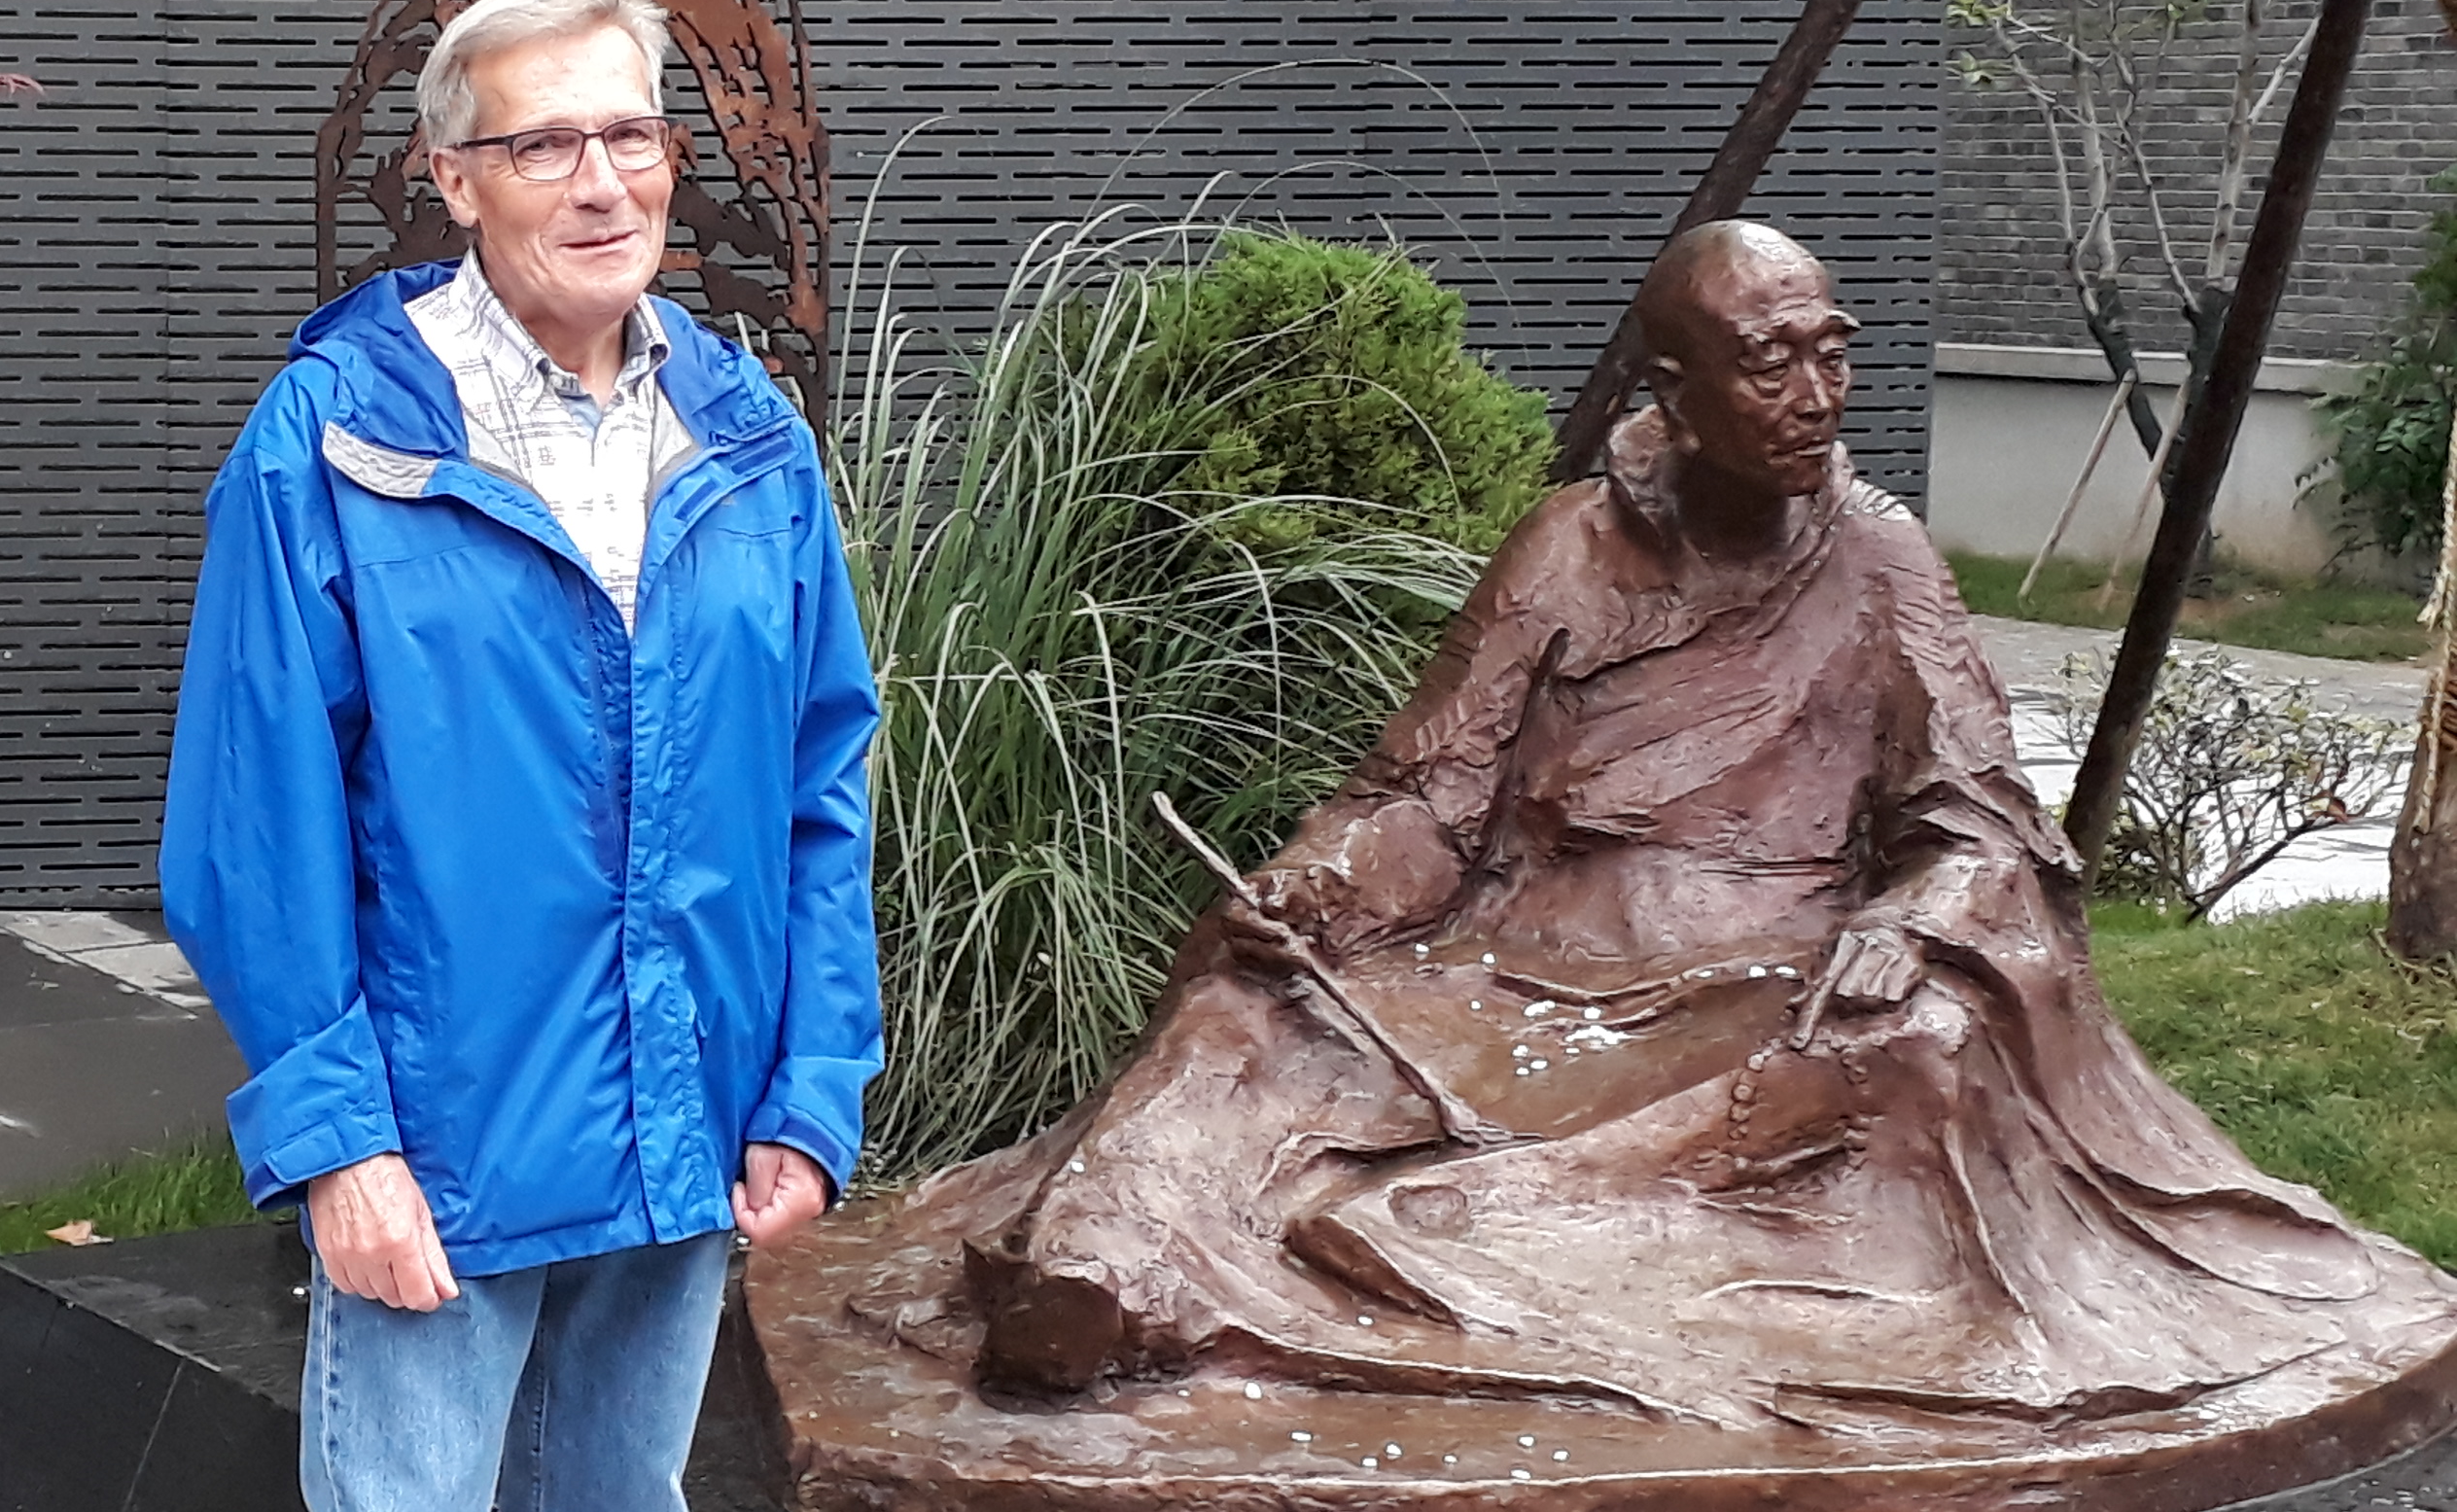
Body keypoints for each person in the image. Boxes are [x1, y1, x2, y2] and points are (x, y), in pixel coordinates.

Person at [932, 218, 2453, 1436]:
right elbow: (1427, 799)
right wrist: (1311, 891)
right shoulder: (1568, 548)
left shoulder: (1881, 557)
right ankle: (1104, 1270)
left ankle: (1434, 1240)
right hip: (1516, 968)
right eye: (1767, 364)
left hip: (1762, 972)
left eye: (1829, 353)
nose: (1815, 396)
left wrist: (1910, 918)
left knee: (1911, 1050)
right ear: (1673, 390)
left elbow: (1982, 823)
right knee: (1244, 1017)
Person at [161, 0, 882, 1512]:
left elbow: (822, 785)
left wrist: (808, 1087)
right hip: (443, 1137)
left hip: (679, 1122)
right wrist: (337, 1139)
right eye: (546, 141)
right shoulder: (342, 441)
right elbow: (254, 822)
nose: (602, 180)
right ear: (454, 180)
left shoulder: (744, 438)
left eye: (632, 133)